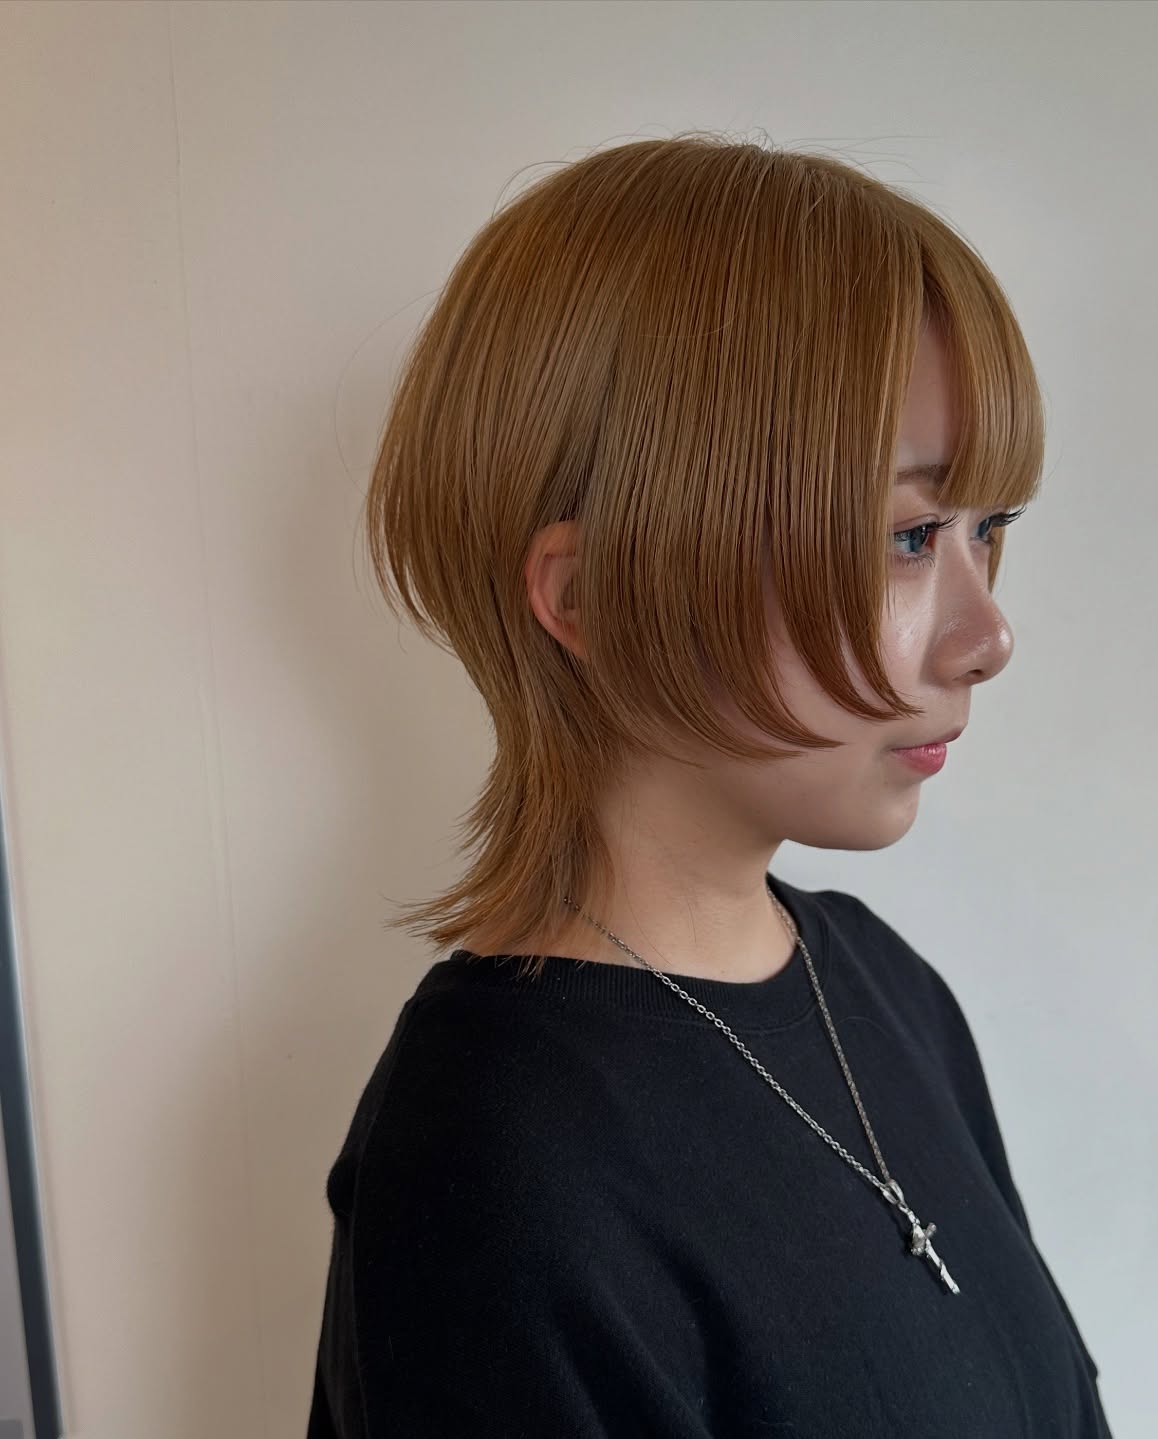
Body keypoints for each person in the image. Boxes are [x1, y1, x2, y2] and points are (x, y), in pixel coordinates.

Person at [306, 131, 1112, 1438]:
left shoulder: (880, 984)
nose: (988, 636)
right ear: (595, 595)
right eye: (909, 535)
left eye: (990, 530)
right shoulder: (490, 1164)